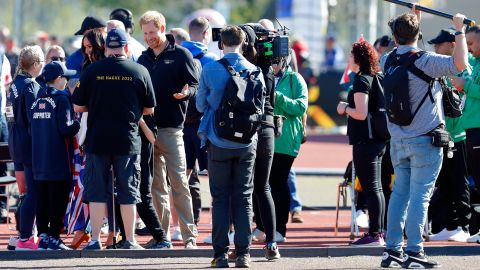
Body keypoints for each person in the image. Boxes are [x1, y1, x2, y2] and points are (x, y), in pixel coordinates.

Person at [379, 7, 468, 268]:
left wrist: (411, 22)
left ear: (394, 37)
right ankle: (415, 252)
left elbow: (405, 44)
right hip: (425, 140)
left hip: (398, 140)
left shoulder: (388, 60)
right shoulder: (427, 61)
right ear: (418, 34)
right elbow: (460, 64)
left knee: (400, 195)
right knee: (420, 196)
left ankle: (392, 251)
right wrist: (460, 31)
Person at [72, 28, 156, 250]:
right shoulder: (139, 71)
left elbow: (78, 105)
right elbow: (149, 109)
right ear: (126, 48)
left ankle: (95, 240)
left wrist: (98, 104)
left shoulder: (92, 71)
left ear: (106, 48)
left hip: (98, 138)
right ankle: (129, 239)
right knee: (129, 190)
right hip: (127, 139)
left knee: (97, 191)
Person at [197, 25, 265, 268]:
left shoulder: (210, 69)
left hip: (218, 140)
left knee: (220, 199)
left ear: (221, 43)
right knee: (244, 197)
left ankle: (220, 254)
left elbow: (200, 105)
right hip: (247, 142)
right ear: (244, 42)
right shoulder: (255, 70)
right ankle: (244, 254)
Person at [137, 10, 198, 248]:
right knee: (155, 187)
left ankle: (189, 237)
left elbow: (195, 84)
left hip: (173, 130)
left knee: (180, 184)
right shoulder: (142, 59)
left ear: (163, 29)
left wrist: (187, 94)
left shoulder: (182, 55)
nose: (149, 37)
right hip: (148, 131)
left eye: (152, 32)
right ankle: (162, 237)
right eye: (145, 33)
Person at [337, 40, 387, 246]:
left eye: (350, 55)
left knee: (371, 188)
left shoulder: (361, 81)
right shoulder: (376, 77)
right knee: (377, 188)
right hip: (378, 139)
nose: (348, 59)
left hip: (366, 141)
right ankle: (379, 232)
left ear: (358, 59)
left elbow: (360, 112)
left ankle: (375, 234)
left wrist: (344, 108)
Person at [426, 28, 471, 243]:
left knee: (459, 182)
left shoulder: (464, 67)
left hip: (459, 135)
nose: (435, 48)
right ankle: (450, 225)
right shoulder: (442, 67)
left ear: (453, 44)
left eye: (439, 44)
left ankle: (465, 225)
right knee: (444, 183)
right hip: (444, 135)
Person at [31, 61, 79, 250]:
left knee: (42, 199)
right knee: (57, 200)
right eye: (65, 77)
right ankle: (53, 238)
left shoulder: (37, 98)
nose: (67, 81)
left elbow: (30, 130)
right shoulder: (61, 99)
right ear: (58, 79)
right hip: (59, 160)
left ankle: (43, 236)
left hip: (39, 159)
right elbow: (65, 129)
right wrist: (77, 123)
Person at [267, 50, 308, 243]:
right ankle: (262, 226)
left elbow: (301, 107)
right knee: (262, 185)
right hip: (265, 137)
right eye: (271, 61)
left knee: (278, 184)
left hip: (285, 139)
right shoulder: (263, 75)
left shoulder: (295, 79)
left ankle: (279, 230)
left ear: (284, 61)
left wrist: (278, 98)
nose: (273, 65)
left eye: (276, 62)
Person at [181, 16, 218, 228]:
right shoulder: (211, 60)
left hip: (180, 125)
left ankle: (182, 227)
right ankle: (217, 226)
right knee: (215, 178)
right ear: (206, 33)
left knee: (180, 180)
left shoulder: (176, 56)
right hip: (205, 125)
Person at [7, 45, 45, 250]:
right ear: (37, 64)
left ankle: (24, 235)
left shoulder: (13, 85)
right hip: (28, 144)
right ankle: (25, 237)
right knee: (32, 192)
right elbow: (35, 120)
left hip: (15, 143)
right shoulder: (30, 86)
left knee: (25, 193)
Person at [451, 25, 480, 243]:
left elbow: (471, 86)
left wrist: (466, 85)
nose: (468, 49)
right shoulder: (476, 63)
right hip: (472, 129)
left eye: (471, 43)